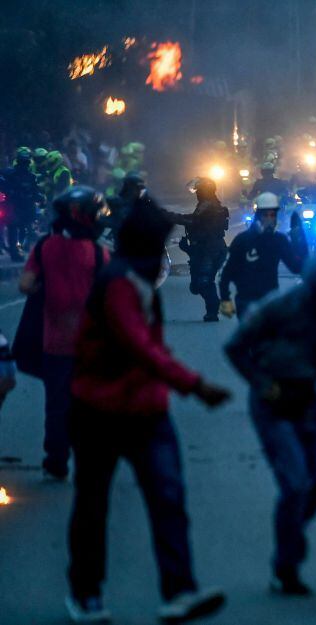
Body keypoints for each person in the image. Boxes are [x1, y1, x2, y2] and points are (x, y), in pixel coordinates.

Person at [66, 197, 230, 623]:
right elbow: (138, 346)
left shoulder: (137, 279)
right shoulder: (119, 283)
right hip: (100, 410)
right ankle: (86, 593)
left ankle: (180, 590)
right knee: (94, 505)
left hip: (147, 408)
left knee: (168, 498)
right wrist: (194, 385)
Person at [224, 254, 316, 595]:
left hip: (310, 400)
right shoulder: (279, 306)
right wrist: (261, 383)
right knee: (296, 483)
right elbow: (236, 346)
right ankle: (286, 565)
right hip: (272, 401)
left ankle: (292, 526)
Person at [18, 186, 110, 481]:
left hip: (54, 343)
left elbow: (25, 285)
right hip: (93, 345)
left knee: (57, 404)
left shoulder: (44, 247)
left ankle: (56, 460)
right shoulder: (100, 254)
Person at [219, 192, 307, 320]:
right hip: (246, 301)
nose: (269, 219)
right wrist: (225, 298)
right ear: (257, 216)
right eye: (265, 215)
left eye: (272, 215)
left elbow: (296, 267)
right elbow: (228, 271)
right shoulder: (242, 240)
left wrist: (299, 242)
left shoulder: (279, 240)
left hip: (270, 301)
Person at [171, 178, 229, 322]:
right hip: (206, 248)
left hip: (210, 249)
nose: (197, 194)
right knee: (196, 285)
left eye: (199, 191)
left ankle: (213, 311)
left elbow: (192, 221)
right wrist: (188, 248)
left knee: (204, 282)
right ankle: (213, 308)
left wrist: (167, 216)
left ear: (205, 191)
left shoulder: (209, 206)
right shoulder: (207, 205)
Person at [1, 147, 44, 261]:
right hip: (13, 206)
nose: (24, 165)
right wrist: (9, 193)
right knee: (13, 227)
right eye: (22, 162)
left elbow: (35, 192)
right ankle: (15, 252)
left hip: (26, 207)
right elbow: (4, 187)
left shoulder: (31, 176)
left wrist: (40, 198)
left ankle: (21, 249)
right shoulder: (9, 174)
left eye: (26, 162)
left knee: (26, 228)